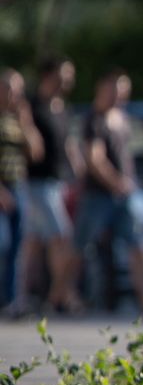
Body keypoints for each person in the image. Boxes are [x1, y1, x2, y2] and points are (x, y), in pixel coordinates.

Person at [77, 69, 143, 313]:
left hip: (125, 194)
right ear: (102, 90)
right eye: (114, 90)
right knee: (78, 246)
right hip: (99, 195)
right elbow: (94, 160)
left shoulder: (121, 118)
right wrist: (116, 182)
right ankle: (62, 293)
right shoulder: (94, 119)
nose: (118, 96)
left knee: (139, 246)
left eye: (123, 91)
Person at [12, 56, 83, 316]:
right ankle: (60, 296)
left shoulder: (62, 108)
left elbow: (68, 144)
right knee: (60, 235)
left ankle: (24, 297)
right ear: (49, 75)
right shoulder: (31, 105)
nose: (69, 80)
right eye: (65, 74)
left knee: (32, 244)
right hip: (35, 183)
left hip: (58, 183)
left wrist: (78, 173)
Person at [0, 68, 43, 309]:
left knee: (17, 246)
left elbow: (35, 152)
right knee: (2, 243)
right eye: (9, 89)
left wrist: (26, 122)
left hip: (17, 185)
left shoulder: (18, 118)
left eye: (18, 90)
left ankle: (12, 299)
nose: (14, 95)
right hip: (2, 187)